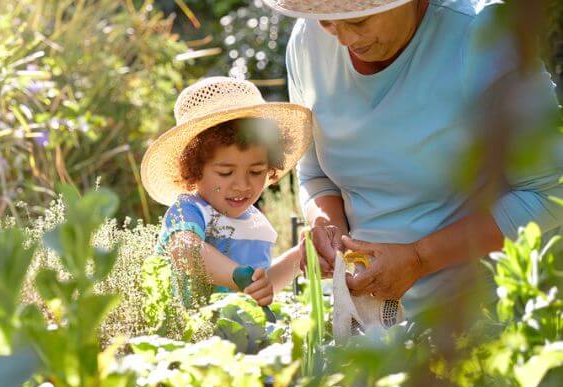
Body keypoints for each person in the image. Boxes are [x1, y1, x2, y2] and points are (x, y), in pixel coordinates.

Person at [266, 0, 563, 316]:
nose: (344, 38)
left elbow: (550, 192)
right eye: (328, 22)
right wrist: (328, 229)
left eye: (359, 20)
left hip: (485, 315)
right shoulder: (306, 41)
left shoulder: (485, 36)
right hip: (372, 321)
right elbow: (315, 176)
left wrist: (421, 258)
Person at [140, 76, 313, 306]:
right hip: (195, 337)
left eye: (255, 171)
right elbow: (185, 251)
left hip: (240, 337)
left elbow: (261, 287)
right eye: (225, 172)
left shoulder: (254, 222)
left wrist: (300, 257)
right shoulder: (190, 211)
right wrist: (236, 276)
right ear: (194, 169)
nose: (242, 185)